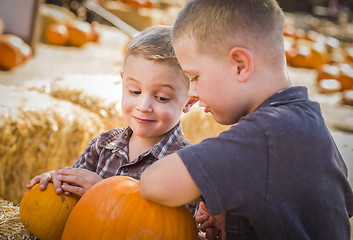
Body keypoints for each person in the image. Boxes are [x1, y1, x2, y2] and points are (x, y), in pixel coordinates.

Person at [139, 0, 353, 239]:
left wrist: (215, 186)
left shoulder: (265, 135)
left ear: (240, 65)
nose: (192, 91)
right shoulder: (310, 123)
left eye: (195, 76)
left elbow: (154, 183)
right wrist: (232, 213)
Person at [26, 25, 196, 208]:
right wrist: (56, 185)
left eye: (161, 97)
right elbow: (70, 200)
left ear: (190, 100)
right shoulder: (102, 146)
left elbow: (173, 231)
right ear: (122, 81)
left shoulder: (187, 167)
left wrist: (104, 192)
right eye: (135, 91)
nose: (143, 106)